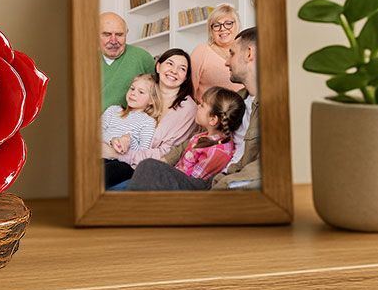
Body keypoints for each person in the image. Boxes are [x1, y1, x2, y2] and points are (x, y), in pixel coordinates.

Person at [127, 27, 261, 191]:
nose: (226, 61)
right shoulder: (236, 99)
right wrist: (164, 162)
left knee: (148, 169)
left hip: (219, 183)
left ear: (249, 54)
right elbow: (196, 140)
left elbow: (261, 168)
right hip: (207, 177)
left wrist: (219, 189)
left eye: (231, 53)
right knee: (148, 169)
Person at [103, 48, 197, 188]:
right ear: (158, 66)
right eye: (170, 64)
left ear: (185, 77)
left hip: (141, 166)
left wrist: (119, 154)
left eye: (182, 68)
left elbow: (167, 153)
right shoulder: (144, 91)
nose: (174, 71)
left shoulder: (187, 108)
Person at [166, 87, 247, 184]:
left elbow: (191, 182)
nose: (198, 106)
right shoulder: (203, 136)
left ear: (213, 119)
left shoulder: (216, 152)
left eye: (202, 105)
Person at [100, 12, 157, 111]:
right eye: (107, 34)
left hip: (129, 123)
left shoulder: (142, 57)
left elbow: (158, 95)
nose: (113, 40)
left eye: (119, 34)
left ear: (126, 34)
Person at [190, 3, 245, 101]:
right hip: (211, 114)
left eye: (228, 23)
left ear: (237, 25)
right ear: (211, 31)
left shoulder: (246, 51)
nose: (222, 28)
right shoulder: (201, 52)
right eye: (216, 25)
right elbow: (188, 92)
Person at [101, 73, 161, 157]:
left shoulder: (148, 122)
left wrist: (129, 141)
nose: (133, 93)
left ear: (151, 100)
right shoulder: (113, 110)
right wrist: (112, 141)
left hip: (120, 162)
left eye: (141, 92)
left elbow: (142, 153)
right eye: (132, 88)